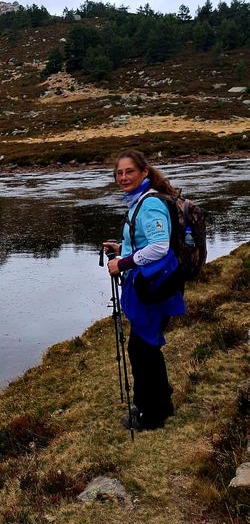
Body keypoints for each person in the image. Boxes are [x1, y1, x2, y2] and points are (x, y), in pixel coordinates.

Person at [103, 149, 186, 431]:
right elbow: (146, 242)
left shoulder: (149, 204)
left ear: (144, 172)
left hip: (154, 286)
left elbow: (159, 247)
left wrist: (122, 262)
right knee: (146, 346)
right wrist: (121, 248)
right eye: (119, 173)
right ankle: (161, 405)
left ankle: (151, 415)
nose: (123, 177)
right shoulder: (140, 200)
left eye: (129, 171)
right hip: (153, 283)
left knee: (142, 350)